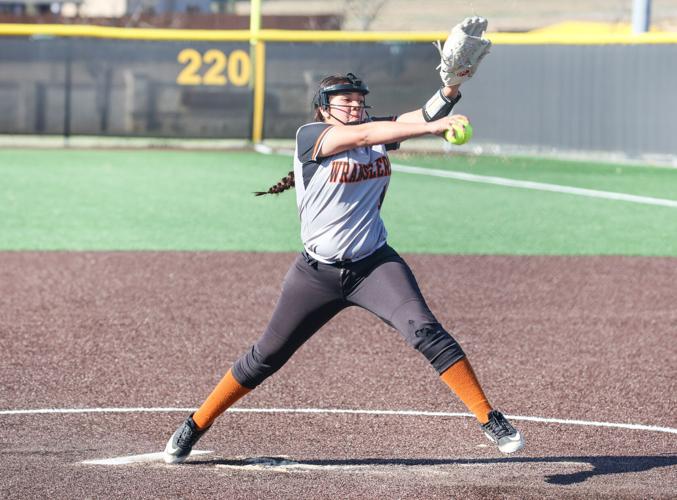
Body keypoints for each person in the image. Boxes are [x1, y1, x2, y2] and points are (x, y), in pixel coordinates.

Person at [164, 16, 524, 464]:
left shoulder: (375, 135)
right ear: (323, 109)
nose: (354, 106)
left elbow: (417, 118)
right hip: (315, 275)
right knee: (265, 356)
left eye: (358, 100)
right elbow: (377, 132)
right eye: (343, 101)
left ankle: (489, 418)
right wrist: (429, 130)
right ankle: (196, 424)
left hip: (375, 266)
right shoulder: (311, 136)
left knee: (426, 330)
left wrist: (450, 90)